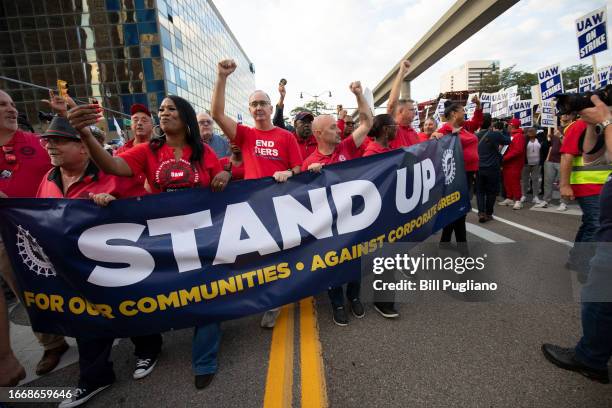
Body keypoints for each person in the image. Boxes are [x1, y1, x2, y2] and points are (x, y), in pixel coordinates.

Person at [66, 95, 230, 406]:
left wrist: (225, 174)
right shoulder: (147, 151)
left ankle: (205, 360)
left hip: (202, 238)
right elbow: (112, 165)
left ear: (185, 117)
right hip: (162, 243)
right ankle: (149, 348)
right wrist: (86, 133)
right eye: (162, 110)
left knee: (208, 296)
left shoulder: (203, 151)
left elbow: (219, 175)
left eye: (171, 109)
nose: (164, 113)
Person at [211, 59, 302, 328]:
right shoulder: (245, 135)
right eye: (254, 104)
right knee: (254, 256)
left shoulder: (286, 136)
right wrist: (221, 77)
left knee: (280, 254)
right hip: (252, 207)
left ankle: (275, 301)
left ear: (271, 108)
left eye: (263, 103)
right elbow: (217, 114)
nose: (259, 107)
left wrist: (290, 173)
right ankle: (262, 296)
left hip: (282, 204)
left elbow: (298, 166)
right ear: (249, 110)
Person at [541, 94, 612, 384]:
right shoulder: (587, 127)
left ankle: (590, 358)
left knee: (600, 291)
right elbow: (591, 155)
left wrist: (606, 120)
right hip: (594, 195)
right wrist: (596, 125)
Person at [0, 89, 71, 378]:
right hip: (6, 239)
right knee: (29, 294)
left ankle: (93, 332)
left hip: (50, 230)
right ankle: (53, 344)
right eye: (3, 105)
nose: (12, 109)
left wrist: (64, 115)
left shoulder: (37, 143)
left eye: (13, 104)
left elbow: (72, 155)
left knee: (70, 281)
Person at [302, 81, 373, 326]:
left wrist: (358, 96)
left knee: (354, 258)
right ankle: (337, 303)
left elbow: (367, 124)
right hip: (328, 225)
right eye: (333, 127)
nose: (338, 130)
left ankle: (354, 297)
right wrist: (310, 175)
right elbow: (302, 199)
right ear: (319, 133)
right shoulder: (309, 161)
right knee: (333, 264)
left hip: (353, 217)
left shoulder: (345, 148)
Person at [559, 111, 611, 276]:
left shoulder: (607, 125)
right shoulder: (580, 125)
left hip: (604, 185)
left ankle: (576, 259)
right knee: (596, 224)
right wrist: (564, 185)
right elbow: (566, 156)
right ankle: (585, 267)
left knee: (590, 223)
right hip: (586, 184)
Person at [434, 100, 479, 252]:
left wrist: (478, 106)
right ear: (454, 113)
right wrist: (435, 134)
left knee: (457, 210)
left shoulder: (464, 127)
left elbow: (477, 121)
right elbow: (436, 142)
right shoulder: (447, 129)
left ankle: (445, 241)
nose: (464, 113)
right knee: (460, 210)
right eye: (462, 110)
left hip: (468, 174)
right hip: (457, 175)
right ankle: (462, 247)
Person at [475, 116, 510, 222]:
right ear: (490, 123)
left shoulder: (475, 135)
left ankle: (481, 212)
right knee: (491, 192)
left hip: (479, 167)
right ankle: (488, 213)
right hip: (492, 168)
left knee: (480, 192)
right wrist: (504, 129)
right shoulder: (495, 134)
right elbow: (508, 141)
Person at [271, 81, 318, 158]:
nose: (306, 124)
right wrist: (282, 98)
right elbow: (277, 122)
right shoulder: (289, 138)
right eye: (303, 122)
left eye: (309, 122)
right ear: (295, 124)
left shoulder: (319, 140)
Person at [386, 60, 426, 148]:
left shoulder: (413, 132)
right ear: (400, 111)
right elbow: (392, 104)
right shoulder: (393, 128)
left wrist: (434, 139)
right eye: (411, 110)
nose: (415, 113)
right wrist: (402, 72)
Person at [534, 122, 569, 211]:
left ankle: (563, 202)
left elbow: (568, 144)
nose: (561, 120)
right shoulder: (553, 130)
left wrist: (560, 135)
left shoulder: (569, 129)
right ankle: (546, 200)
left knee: (562, 182)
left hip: (562, 160)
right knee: (548, 182)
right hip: (551, 160)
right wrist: (547, 158)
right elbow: (551, 146)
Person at [498, 118, 526, 210]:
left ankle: (518, 200)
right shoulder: (511, 135)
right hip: (507, 162)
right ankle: (509, 198)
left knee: (514, 181)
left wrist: (504, 158)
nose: (507, 127)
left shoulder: (519, 136)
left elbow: (517, 151)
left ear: (512, 125)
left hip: (514, 163)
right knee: (507, 180)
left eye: (509, 125)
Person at [521, 127, 542, 204]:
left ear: (536, 132)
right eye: (529, 131)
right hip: (526, 163)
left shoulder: (539, 140)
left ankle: (535, 196)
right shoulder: (524, 140)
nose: (531, 132)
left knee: (535, 180)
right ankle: (524, 196)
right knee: (524, 180)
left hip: (536, 163)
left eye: (533, 131)